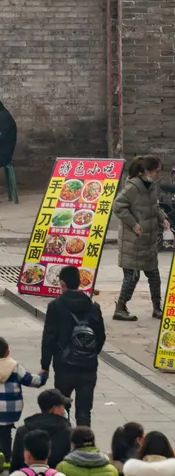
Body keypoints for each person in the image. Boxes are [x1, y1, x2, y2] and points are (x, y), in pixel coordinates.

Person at [40, 265, 106, 428]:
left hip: (64, 365)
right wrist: (88, 352)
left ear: (62, 283)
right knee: (84, 411)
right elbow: (101, 336)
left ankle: (64, 444)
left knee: (62, 409)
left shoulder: (55, 306)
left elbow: (49, 337)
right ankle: (84, 447)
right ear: (79, 283)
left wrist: (45, 366)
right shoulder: (93, 307)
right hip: (88, 367)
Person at [0, 335, 43, 474]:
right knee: (6, 432)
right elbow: (30, 380)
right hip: (12, 410)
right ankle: (7, 459)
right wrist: (43, 377)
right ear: (8, 352)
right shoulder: (15, 367)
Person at [112, 155, 165, 321]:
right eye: (157, 171)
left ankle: (157, 308)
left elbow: (154, 207)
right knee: (132, 277)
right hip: (133, 242)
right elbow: (118, 206)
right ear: (146, 171)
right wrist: (134, 224)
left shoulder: (151, 187)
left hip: (148, 241)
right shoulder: (132, 188)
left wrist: (163, 219)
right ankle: (120, 308)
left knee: (154, 276)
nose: (158, 174)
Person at [11, 389, 75, 472]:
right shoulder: (69, 433)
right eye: (63, 406)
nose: (64, 410)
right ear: (54, 409)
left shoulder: (23, 431)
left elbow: (15, 463)